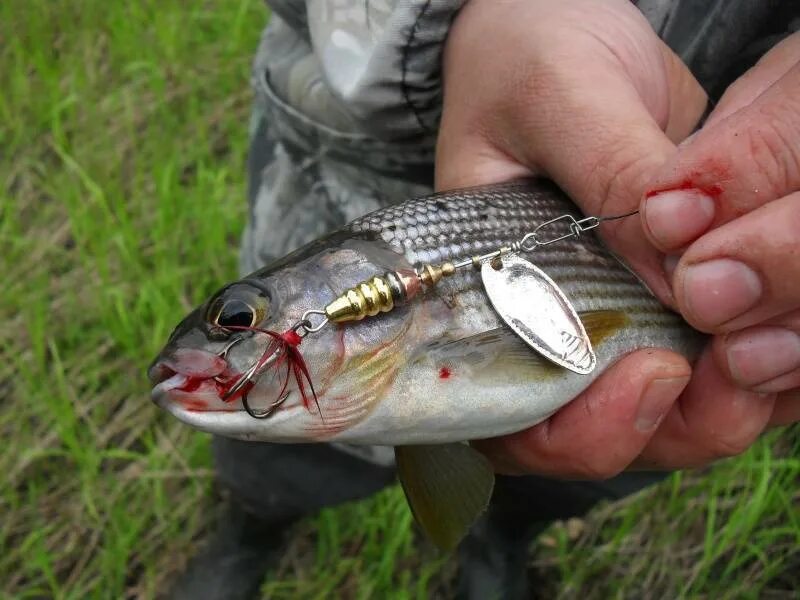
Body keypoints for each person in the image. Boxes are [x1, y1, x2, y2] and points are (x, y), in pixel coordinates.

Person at [171, 1, 800, 598]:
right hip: (349, 152)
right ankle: (254, 520)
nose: (230, 340)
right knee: (282, 463)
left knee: (574, 463)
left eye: (239, 320)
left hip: (729, 221)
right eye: (237, 318)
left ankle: (502, 540)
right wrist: (477, 14)